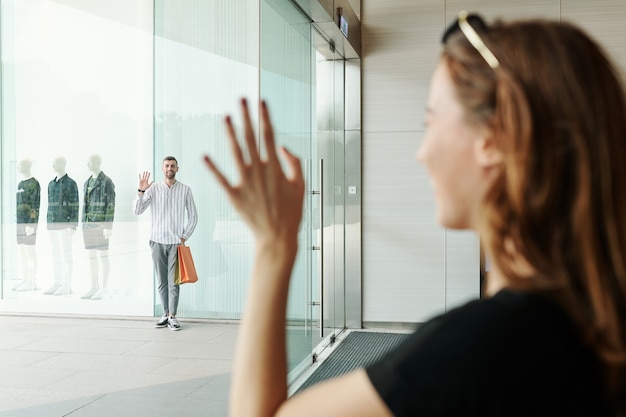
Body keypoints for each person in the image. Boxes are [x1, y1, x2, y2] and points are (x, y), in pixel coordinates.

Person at [203, 12, 626, 417]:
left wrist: (274, 247)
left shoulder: (483, 347)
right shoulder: (596, 316)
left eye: (431, 122)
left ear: (494, 139)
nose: (421, 154)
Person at [133, 156, 198, 331]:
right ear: (162, 169)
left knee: (173, 281)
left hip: (175, 243)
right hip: (156, 241)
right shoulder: (153, 189)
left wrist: (184, 236)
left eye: (173, 166)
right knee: (161, 281)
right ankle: (165, 313)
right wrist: (141, 191)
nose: (170, 168)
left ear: (177, 169)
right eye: (167, 166)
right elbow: (137, 210)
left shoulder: (185, 190)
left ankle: (173, 316)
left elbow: (193, 216)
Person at [81, 154, 116, 300]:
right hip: (88, 224)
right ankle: (93, 286)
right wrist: (82, 222)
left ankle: (104, 288)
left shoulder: (107, 182)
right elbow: (85, 205)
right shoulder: (87, 182)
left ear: (96, 163)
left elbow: (110, 205)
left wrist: (108, 226)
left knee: (103, 255)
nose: (87, 165)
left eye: (89, 162)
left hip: (101, 224)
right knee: (91, 256)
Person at [45, 156, 79, 296]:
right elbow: (49, 204)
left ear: (62, 164)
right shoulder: (51, 184)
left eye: (55, 163)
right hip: (52, 224)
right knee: (55, 255)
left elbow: (75, 204)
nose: (53, 165)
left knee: (66, 255)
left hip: (65, 225)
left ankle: (67, 285)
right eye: (52, 163)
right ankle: (57, 282)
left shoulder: (71, 184)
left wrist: (73, 225)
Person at [15, 159, 41, 291]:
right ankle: (25, 280)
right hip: (19, 223)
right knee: (22, 252)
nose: (17, 167)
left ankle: (32, 281)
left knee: (30, 252)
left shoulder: (34, 184)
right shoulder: (20, 184)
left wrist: (32, 224)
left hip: (28, 224)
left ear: (25, 166)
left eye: (19, 165)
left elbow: (35, 205)